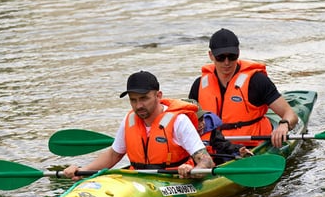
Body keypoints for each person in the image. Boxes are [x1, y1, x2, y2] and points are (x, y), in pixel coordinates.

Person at [62, 71, 214, 180]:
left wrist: (193, 170)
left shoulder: (179, 121)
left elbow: (207, 161)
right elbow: (114, 154)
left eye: (144, 98)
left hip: (175, 180)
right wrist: (83, 171)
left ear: (158, 96)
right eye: (133, 100)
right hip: (138, 180)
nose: (138, 105)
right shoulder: (129, 120)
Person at [188, 28, 299, 150]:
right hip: (212, 147)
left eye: (232, 56)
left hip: (252, 146)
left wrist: (284, 125)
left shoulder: (257, 81)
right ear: (211, 56)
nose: (227, 62)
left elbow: (290, 115)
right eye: (220, 57)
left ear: (238, 53)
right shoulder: (199, 85)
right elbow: (188, 122)